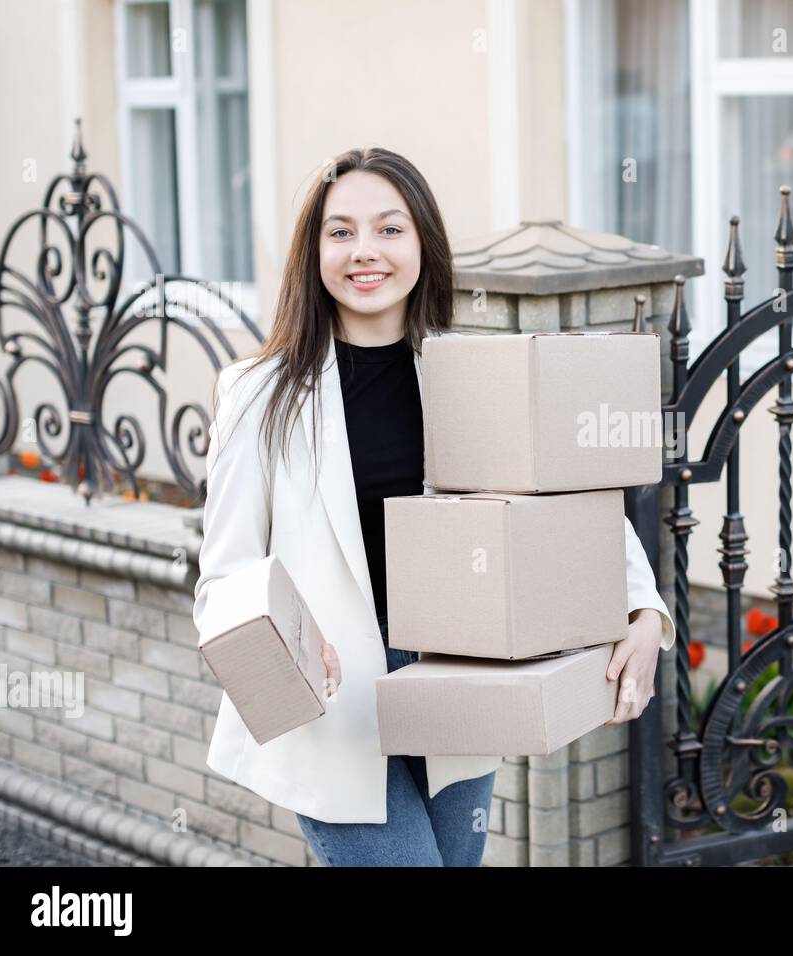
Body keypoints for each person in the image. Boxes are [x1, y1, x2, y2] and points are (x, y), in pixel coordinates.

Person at [192, 146, 675, 867]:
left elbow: (563, 504)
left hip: (458, 684)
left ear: (423, 243)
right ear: (312, 250)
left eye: (390, 229)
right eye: (340, 231)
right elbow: (222, 581)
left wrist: (645, 611)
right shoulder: (260, 394)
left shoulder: (471, 375)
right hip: (333, 711)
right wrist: (286, 644)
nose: (365, 251)